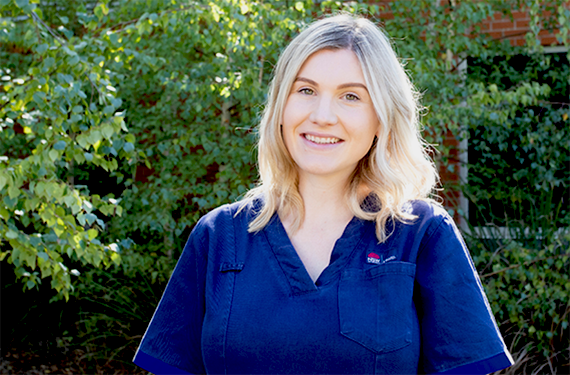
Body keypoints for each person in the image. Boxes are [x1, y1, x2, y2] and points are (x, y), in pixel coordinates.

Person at [133, 14, 514, 375]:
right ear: (280, 106)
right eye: (306, 90)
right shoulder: (219, 237)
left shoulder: (421, 234)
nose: (322, 115)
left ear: (381, 118)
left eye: (351, 97)